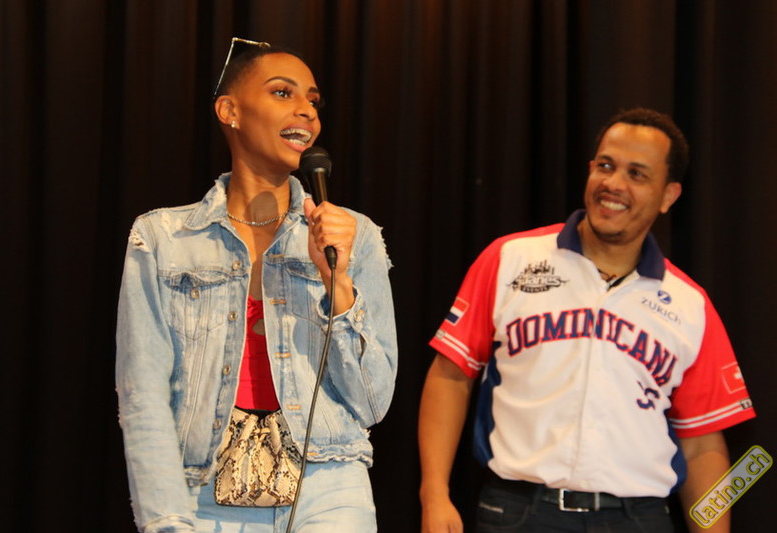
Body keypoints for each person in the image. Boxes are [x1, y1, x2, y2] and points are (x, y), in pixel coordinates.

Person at [418, 108, 755, 533]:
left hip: (639, 519)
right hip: (520, 512)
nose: (614, 184)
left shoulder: (690, 304)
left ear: (668, 196)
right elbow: (451, 375)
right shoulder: (509, 259)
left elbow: (703, 443)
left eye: (636, 174)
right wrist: (434, 493)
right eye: (606, 166)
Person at [116, 39, 397, 533]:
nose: (306, 110)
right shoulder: (162, 237)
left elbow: (372, 400)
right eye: (283, 92)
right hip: (200, 492)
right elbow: (143, 394)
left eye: (313, 100)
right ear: (230, 111)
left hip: (327, 489)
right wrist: (166, 519)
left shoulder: (355, 236)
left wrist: (336, 280)